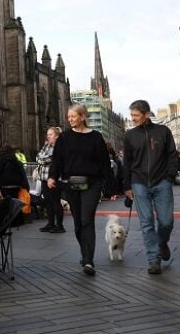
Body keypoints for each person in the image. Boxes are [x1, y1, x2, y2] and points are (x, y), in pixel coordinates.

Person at [47, 104, 111, 276]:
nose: (70, 119)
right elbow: (57, 160)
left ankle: (89, 260)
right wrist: (52, 176)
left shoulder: (96, 137)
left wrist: (111, 188)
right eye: (69, 117)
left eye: (73, 116)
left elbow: (104, 163)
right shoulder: (65, 138)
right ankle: (85, 253)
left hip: (92, 183)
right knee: (77, 223)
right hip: (73, 183)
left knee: (87, 219)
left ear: (83, 117)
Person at [123, 99, 179, 275]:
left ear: (147, 115)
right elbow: (127, 162)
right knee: (146, 223)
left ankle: (162, 242)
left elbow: (172, 155)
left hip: (162, 181)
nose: (133, 118)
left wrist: (169, 176)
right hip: (139, 183)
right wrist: (127, 185)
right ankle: (153, 259)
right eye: (131, 115)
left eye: (136, 115)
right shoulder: (130, 136)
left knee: (166, 221)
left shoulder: (163, 131)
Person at [36, 127, 64, 233]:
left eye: (50, 134)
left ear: (57, 136)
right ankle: (50, 223)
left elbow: (48, 159)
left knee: (55, 202)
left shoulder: (59, 147)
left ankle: (60, 225)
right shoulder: (46, 145)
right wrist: (42, 159)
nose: (48, 136)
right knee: (48, 202)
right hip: (43, 178)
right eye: (47, 134)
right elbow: (38, 157)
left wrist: (42, 159)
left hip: (54, 178)